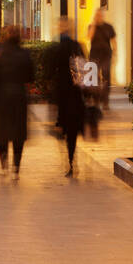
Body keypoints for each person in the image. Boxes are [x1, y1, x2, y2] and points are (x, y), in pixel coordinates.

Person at [0, 25, 34, 177]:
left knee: (1, 133)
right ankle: (16, 167)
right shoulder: (24, 54)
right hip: (19, 97)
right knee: (18, 134)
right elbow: (31, 76)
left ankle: (4, 165)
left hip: (0, 98)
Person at [47, 18, 86, 177]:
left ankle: (69, 161)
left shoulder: (55, 49)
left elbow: (49, 72)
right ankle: (71, 159)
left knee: (63, 129)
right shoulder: (77, 46)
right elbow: (86, 68)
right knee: (72, 130)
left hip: (62, 95)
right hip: (75, 95)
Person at [86, 8, 117, 112]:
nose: (98, 16)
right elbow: (89, 37)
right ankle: (95, 100)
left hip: (106, 55)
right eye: (97, 15)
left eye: (100, 15)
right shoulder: (91, 26)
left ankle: (105, 101)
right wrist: (94, 24)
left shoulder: (109, 27)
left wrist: (115, 54)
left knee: (106, 76)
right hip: (94, 54)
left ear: (103, 16)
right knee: (94, 77)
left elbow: (113, 41)